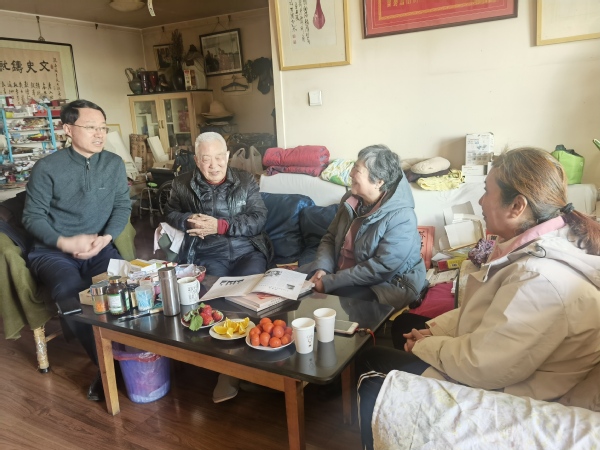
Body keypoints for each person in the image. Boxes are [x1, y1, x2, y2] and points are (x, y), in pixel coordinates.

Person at [356, 147, 600, 450]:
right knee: (403, 330)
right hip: (509, 366)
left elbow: (483, 366)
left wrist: (426, 345)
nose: (481, 201)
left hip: (517, 395)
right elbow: (488, 308)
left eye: (486, 192)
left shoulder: (539, 278)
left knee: (372, 365)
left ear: (517, 206)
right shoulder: (539, 246)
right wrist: (435, 331)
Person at [22, 99, 131, 401]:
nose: (99, 134)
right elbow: (32, 217)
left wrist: (106, 238)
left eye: (103, 128)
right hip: (53, 251)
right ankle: (106, 368)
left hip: (98, 246)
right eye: (91, 127)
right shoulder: (47, 168)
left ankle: (127, 353)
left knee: (120, 288)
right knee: (70, 292)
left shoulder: (113, 164)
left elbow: (122, 206)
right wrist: (64, 242)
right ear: (68, 129)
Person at [164, 131, 271, 402]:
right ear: (196, 160)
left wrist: (221, 225)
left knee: (249, 299)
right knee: (215, 303)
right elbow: (171, 212)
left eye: (219, 157)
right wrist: (187, 220)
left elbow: (259, 218)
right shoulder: (182, 184)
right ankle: (228, 370)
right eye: (206, 159)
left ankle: (254, 365)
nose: (214, 165)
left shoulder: (246, 180)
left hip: (248, 250)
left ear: (228, 156)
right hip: (208, 252)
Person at [299, 144, 427, 310]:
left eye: (357, 170)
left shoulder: (402, 217)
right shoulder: (350, 199)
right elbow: (330, 238)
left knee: (343, 301)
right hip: (341, 271)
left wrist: (331, 281)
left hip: (388, 282)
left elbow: (382, 268)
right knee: (291, 284)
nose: (351, 173)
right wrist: (323, 268)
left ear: (378, 182)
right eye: (353, 167)